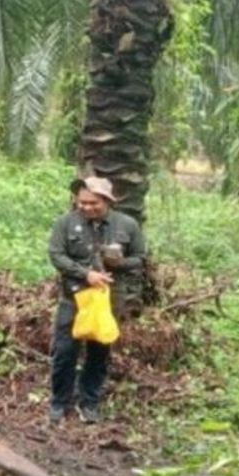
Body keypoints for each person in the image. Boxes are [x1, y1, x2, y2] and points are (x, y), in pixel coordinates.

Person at [47, 176, 147, 424]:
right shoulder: (65, 223)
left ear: (107, 201)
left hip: (107, 300)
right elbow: (56, 255)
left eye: (93, 203)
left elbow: (140, 258)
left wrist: (119, 263)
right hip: (74, 297)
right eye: (82, 202)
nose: (86, 207)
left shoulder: (127, 225)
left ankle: (89, 403)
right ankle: (59, 403)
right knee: (64, 351)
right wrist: (86, 274)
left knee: (99, 352)